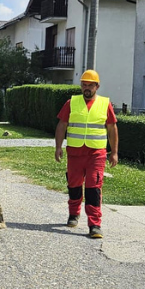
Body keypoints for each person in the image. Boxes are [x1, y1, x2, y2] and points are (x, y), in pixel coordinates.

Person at [54, 70, 119, 239]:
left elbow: (112, 129)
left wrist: (115, 153)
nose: (87, 88)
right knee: (74, 185)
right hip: (75, 152)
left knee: (93, 188)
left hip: (96, 154)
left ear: (97, 86)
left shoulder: (105, 104)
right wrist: (58, 147)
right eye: (84, 84)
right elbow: (62, 125)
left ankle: (95, 224)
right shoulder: (71, 102)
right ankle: (73, 214)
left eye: (90, 85)